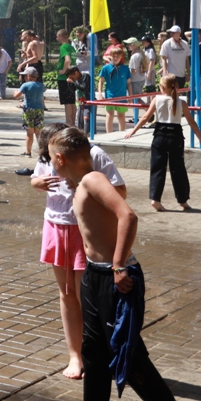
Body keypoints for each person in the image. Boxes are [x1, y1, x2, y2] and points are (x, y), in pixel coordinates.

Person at [47, 127, 181, 401]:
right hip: (95, 274)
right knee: (93, 349)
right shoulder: (81, 182)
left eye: (50, 158)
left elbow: (128, 216)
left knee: (125, 351)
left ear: (59, 158)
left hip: (115, 277)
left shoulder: (93, 180)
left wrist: (119, 265)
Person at [30, 123, 127, 380]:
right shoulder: (48, 156)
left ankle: (103, 352)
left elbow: (121, 193)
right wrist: (37, 183)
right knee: (67, 294)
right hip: (56, 227)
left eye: (53, 158)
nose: (51, 162)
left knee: (91, 298)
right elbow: (35, 177)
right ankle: (76, 354)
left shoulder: (94, 155)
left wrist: (84, 188)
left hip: (84, 232)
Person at [123, 74, 201, 212]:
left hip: (160, 135)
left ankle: (155, 199)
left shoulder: (157, 99)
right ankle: (183, 200)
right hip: (175, 136)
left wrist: (133, 131)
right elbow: (192, 122)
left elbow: (145, 117)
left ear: (161, 87)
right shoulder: (182, 102)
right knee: (178, 169)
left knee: (157, 168)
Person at [96, 47, 131, 132]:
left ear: (121, 57)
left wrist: (130, 96)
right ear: (110, 56)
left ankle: (122, 133)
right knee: (110, 114)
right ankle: (109, 134)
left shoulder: (125, 68)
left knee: (121, 115)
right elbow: (101, 82)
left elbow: (129, 83)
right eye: (114, 56)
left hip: (122, 95)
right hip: (110, 95)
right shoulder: (106, 68)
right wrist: (100, 94)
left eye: (118, 56)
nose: (115, 58)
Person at [18, 67, 46, 158]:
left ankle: (28, 152)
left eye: (25, 76)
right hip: (39, 110)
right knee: (38, 133)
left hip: (28, 110)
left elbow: (16, 95)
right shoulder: (41, 85)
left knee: (29, 133)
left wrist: (15, 92)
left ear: (28, 76)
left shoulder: (25, 85)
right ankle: (42, 153)